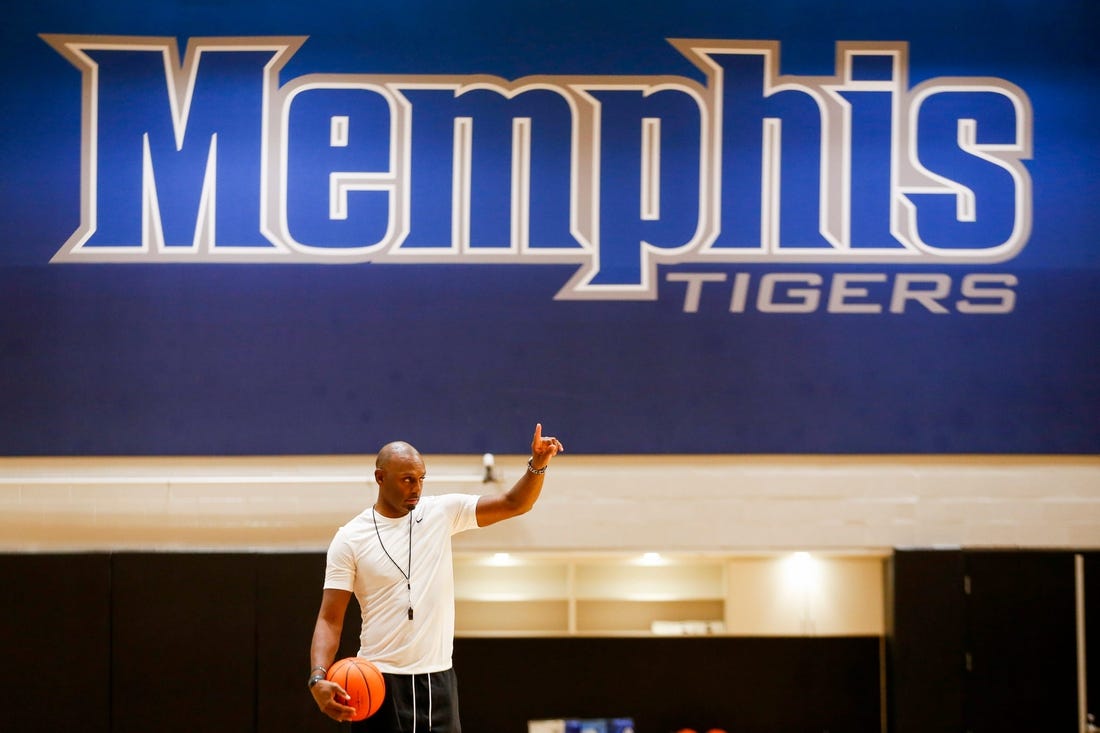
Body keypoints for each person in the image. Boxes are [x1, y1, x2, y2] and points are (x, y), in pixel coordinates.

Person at [307, 422, 564, 731]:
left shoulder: (441, 512)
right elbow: (330, 618)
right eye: (406, 480)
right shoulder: (350, 538)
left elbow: (515, 503)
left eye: (421, 479)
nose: (416, 487)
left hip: (438, 680)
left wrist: (537, 465)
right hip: (378, 682)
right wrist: (318, 677)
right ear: (380, 478)